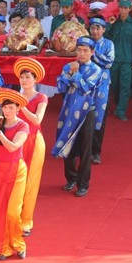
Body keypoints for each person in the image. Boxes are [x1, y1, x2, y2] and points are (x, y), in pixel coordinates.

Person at [53, 37, 107, 197]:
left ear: (92, 52)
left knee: (85, 148)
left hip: (86, 112)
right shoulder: (68, 66)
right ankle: (71, 178)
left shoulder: (97, 70)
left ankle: (83, 183)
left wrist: (74, 74)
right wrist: (69, 73)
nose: (81, 53)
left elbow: (85, 88)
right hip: (68, 110)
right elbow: (61, 87)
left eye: (85, 50)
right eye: (79, 50)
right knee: (66, 143)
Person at [0, 88, 29, 260]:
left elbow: (13, 147)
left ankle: (18, 243)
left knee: (12, 211)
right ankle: (3, 247)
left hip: (16, 170)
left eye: (11, 108)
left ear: (17, 108)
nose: (7, 111)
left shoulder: (23, 125)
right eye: (5, 107)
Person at [14, 58, 48, 237]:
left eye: (28, 77)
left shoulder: (41, 97)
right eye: (22, 77)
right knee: (16, 180)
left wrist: (22, 106)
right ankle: (14, 216)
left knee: (31, 182)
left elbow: (37, 120)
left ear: (35, 80)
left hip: (34, 141)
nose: (24, 80)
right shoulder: (15, 97)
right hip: (18, 140)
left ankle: (26, 221)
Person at [106, 0, 132, 121]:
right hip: (113, 59)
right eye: (121, 7)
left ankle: (121, 110)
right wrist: (109, 24)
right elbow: (105, 36)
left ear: (130, 9)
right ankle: (108, 106)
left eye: (125, 8)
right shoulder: (113, 22)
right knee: (112, 85)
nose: (123, 10)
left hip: (127, 60)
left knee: (125, 86)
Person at [88, 16, 115, 165]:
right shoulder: (85, 43)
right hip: (86, 85)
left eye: (98, 28)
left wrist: (93, 54)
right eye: (92, 27)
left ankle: (95, 151)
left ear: (104, 29)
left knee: (99, 118)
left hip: (102, 85)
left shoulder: (108, 44)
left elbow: (108, 62)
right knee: (83, 115)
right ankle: (82, 148)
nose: (95, 31)